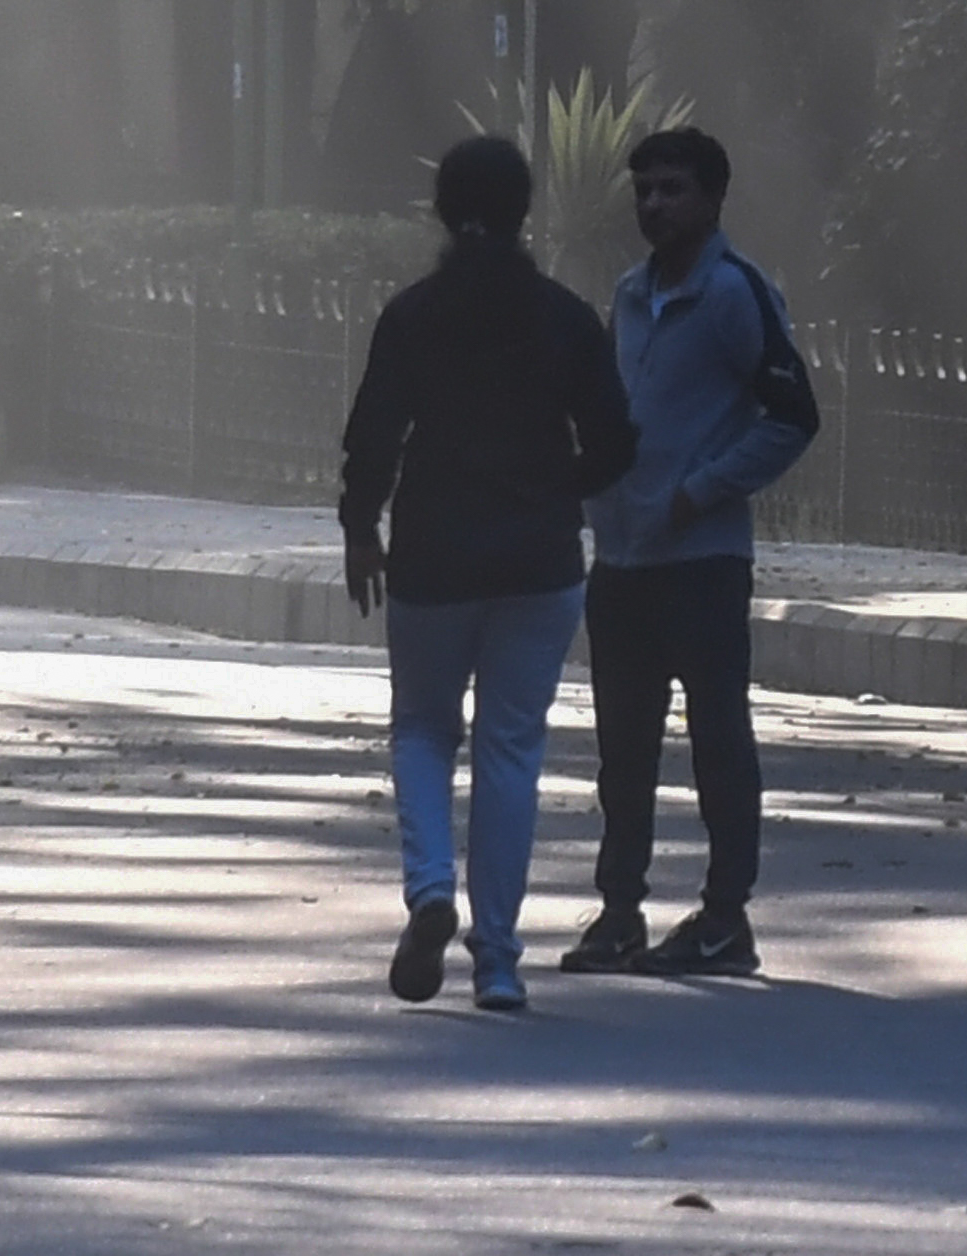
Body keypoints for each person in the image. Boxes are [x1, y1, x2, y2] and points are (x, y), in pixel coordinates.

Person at [342, 131, 641, 1012]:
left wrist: (362, 528)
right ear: (525, 213)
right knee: (512, 749)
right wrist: (559, 490)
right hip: (539, 560)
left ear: (441, 211)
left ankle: (431, 889)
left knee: (424, 731)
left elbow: (373, 434)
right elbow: (616, 440)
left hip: (434, 553)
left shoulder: (415, 315)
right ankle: (500, 960)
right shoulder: (562, 317)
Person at [575, 122, 815, 978]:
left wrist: (700, 491)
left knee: (717, 739)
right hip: (624, 558)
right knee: (622, 748)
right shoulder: (630, 295)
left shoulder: (734, 293)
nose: (654, 205)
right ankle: (618, 911)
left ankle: (723, 916)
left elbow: (793, 418)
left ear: (711, 199)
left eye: (671, 190)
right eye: (643, 190)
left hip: (702, 559)